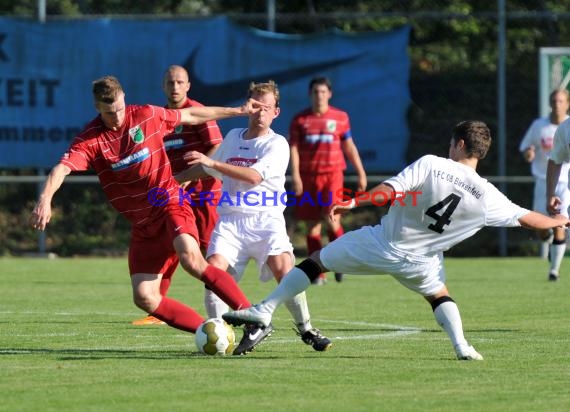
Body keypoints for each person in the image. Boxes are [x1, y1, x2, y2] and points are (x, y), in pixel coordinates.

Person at [224, 120, 570, 361]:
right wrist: (557, 221)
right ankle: (462, 346)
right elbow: (528, 219)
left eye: (453, 142)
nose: (449, 146)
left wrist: (352, 201)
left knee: (316, 262)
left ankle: (264, 310)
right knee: (438, 295)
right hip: (422, 262)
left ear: (460, 144)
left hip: (382, 244)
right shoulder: (488, 195)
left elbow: (388, 192)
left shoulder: (433, 164)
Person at [30, 75, 265, 337]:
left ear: (124, 99)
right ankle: (208, 332)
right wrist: (45, 199)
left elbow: (192, 115)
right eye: (109, 113)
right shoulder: (91, 139)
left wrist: (238, 111)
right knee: (144, 297)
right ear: (97, 108)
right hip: (143, 225)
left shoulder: (146, 115)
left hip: (169, 202)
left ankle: (251, 314)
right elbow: (61, 169)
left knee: (191, 259)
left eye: (119, 108)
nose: (117, 117)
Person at [177, 80, 332, 355]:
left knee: (285, 270)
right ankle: (222, 333)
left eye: (266, 108)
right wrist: (175, 180)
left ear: (276, 112)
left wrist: (210, 162)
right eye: (256, 106)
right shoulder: (235, 136)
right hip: (230, 222)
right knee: (213, 274)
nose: (260, 112)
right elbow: (207, 170)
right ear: (249, 107)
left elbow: (252, 177)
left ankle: (306, 329)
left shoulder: (277, 144)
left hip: (266, 219)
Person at [132, 65, 224, 326]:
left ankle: (224, 304)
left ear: (188, 86)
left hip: (203, 193)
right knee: (170, 246)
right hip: (173, 193)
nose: (174, 87)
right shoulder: (160, 117)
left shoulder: (197, 111)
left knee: (209, 249)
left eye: (179, 82)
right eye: (170, 82)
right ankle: (157, 309)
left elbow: (218, 145)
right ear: (163, 86)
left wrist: (192, 175)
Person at [289, 76, 367, 284]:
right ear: (310, 94)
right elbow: (294, 149)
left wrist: (360, 172)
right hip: (308, 178)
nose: (319, 96)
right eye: (315, 92)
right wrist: (295, 175)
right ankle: (317, 273)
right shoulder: (300, 120)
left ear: (329, 94)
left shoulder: (340, 117)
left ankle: (341, 264)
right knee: (312, 226)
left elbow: (349, 146)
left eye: (323, 92)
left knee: (333, 220)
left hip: (332, 175)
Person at [519, 88, 570, 281]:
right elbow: (529, 148)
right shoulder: (541, 126)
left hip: (565, 183)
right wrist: (529, 153)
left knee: (560, 223)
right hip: (544, 181)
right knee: (541, 227)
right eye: (555, 101)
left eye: (561, 101)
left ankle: (554, 271)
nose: (558, 104)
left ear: (567, 103)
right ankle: (545, 238)